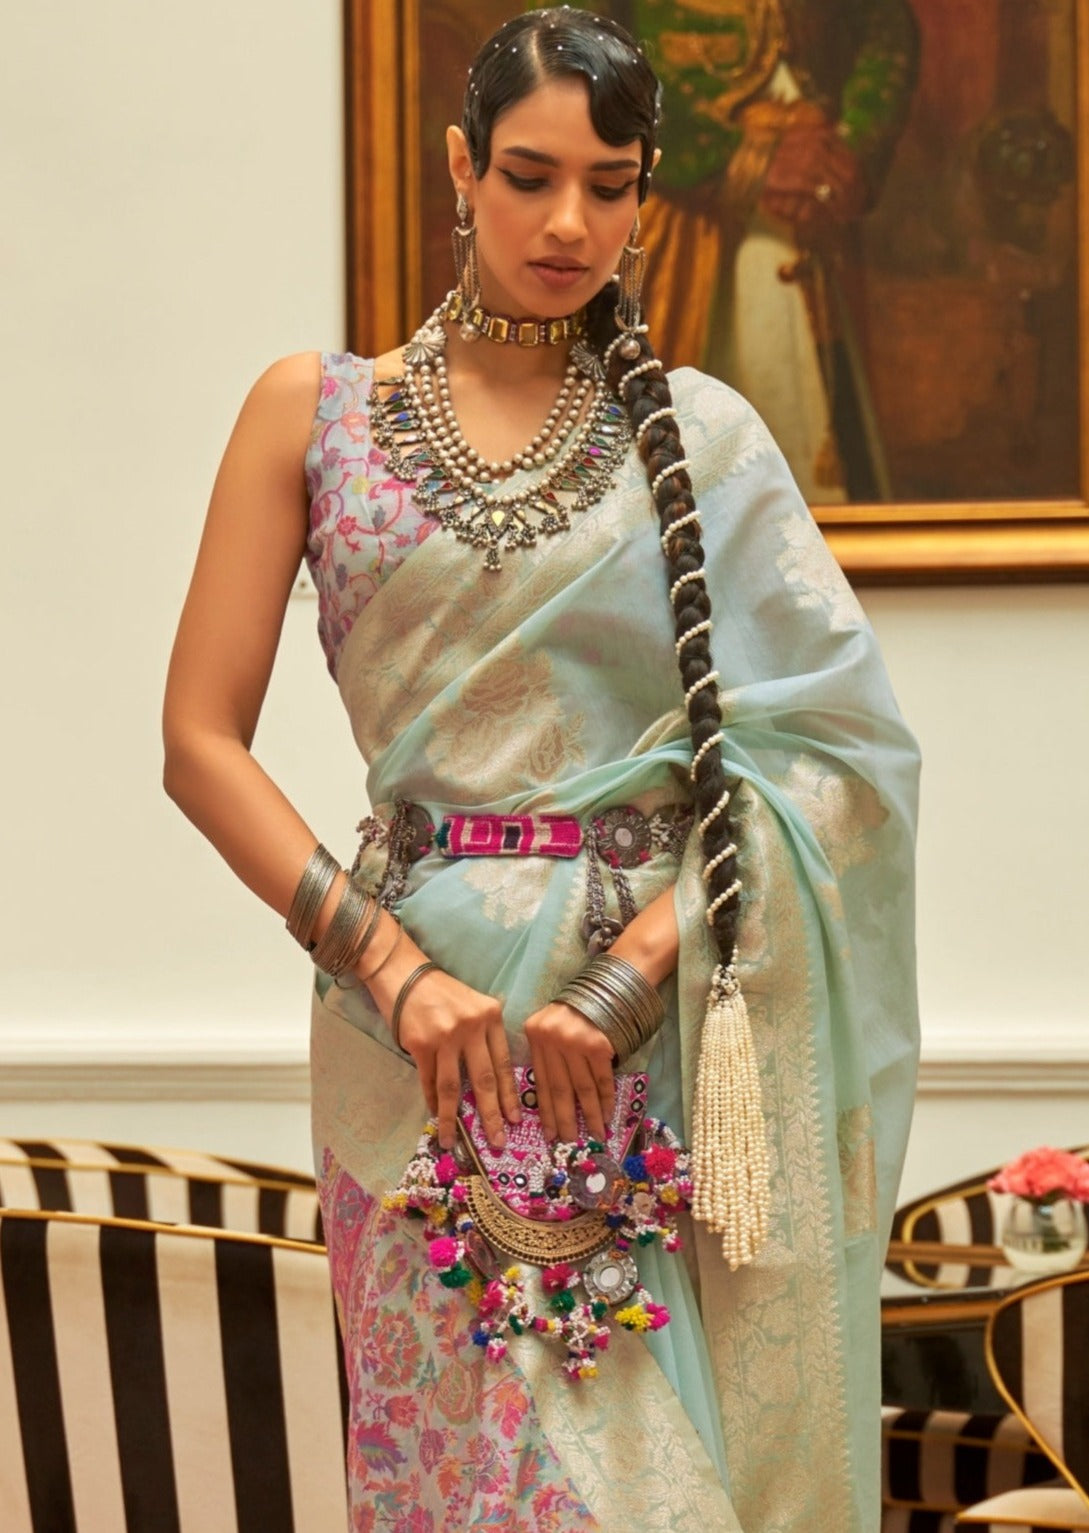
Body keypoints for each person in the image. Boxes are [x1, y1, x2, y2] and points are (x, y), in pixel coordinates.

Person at [163, 8, 919, 1530]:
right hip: (407, 1044)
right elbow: (197, 741)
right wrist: (394, 972)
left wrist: (636, 972)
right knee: (453, 1479)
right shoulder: (316, 415)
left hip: (633, 1045)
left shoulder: (700, 437)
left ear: (647, 192)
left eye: (609, 184)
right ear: (461, 167)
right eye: (528, 175)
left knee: (655, 1489)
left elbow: (836, 761)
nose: (569, 222)